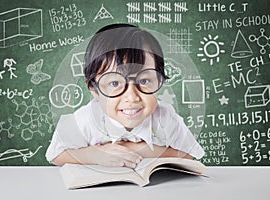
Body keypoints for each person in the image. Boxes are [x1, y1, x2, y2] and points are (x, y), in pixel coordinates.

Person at [46, 24, 205, 169]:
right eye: (115, 84)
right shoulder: (85, 119)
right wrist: (96, 154)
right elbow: (56, 155)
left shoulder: (165, 117)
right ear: (94, 89)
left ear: (159, 82)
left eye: (143, 80)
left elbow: (188, 154)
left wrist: (135, 150)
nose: (132, 97)